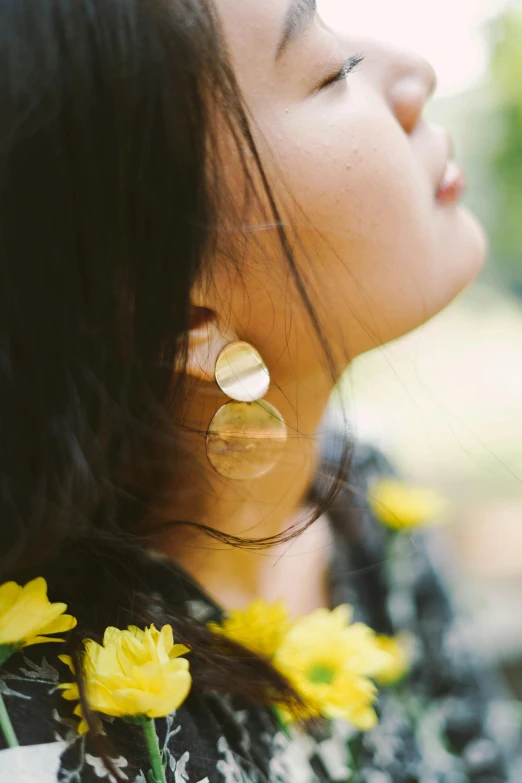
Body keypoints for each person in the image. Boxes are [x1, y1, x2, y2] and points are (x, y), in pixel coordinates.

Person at [0, 0, 520, 780]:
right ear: (182, 315)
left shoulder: (361, 509)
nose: (416, 77)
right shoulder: (45, 732)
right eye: (331, 70)